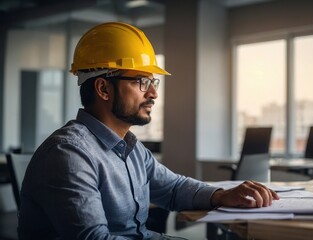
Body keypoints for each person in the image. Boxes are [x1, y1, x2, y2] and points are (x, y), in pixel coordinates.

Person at [18, 22, 279, 240]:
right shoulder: (69, 155)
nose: (153, 93)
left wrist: (221, 195)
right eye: (142, 82)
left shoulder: (130, 148)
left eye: (152, 82)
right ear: (103, 89)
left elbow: (173, 188)